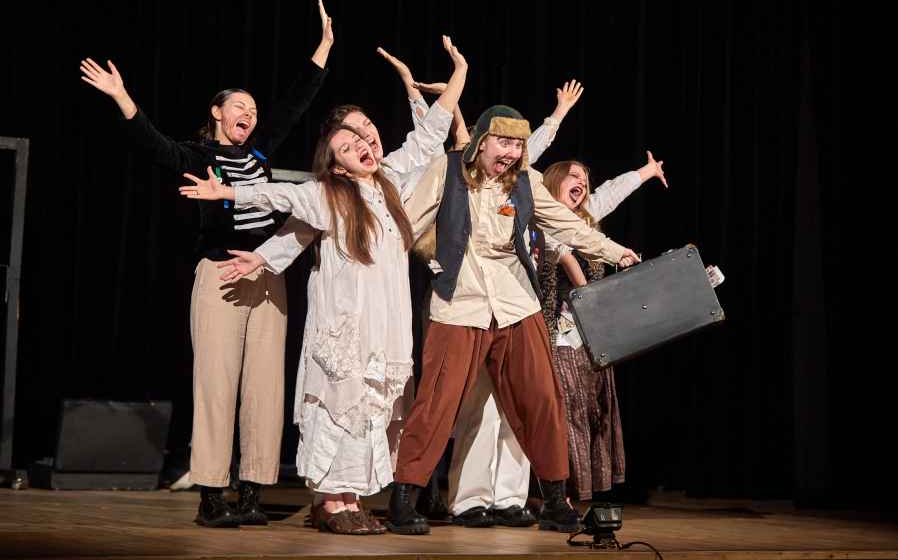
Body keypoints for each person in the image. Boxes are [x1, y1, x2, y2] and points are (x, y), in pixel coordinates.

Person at [79, 0, 334, 528]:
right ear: (217, 112)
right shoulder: (198, 156)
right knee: (216, 384)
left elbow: (294, 104)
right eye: (240, 106)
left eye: (253, 110)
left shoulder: (260, 153)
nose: (250, 114)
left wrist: (324, 48)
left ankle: (253, 491)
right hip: (219, 275)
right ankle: (212, 494)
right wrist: (123, 98)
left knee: (265, 387)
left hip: (266, 275)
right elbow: (154, 145)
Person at [205, 36, 469, 534]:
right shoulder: (327, 194)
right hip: (345, 325)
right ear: (335, 163)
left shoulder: (391, 183)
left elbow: (431, 132)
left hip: (384, 325)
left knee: (372, 409)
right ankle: (330, 503)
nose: (363, 146)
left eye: (364, 140)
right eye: (348, 146)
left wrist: (459, 73)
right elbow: (281, 198)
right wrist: (229, 192)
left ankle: (351, 500)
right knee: (338, 405)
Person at [387, 104, 641, 535]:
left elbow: (568, 224)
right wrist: (394, 262)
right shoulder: (446, 170)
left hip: (516, 302)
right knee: (437, 401)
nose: (511, 152)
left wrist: (615, 251)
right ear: (481, 141)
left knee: (541, 399)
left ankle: (555, 501)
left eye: (518, 145)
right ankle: (404, 498)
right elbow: (406, 226)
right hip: (460, 302)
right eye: (503, 142)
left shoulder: (526, 180)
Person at [536, 153, 667, 503]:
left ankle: (580, 490)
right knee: (568, 412)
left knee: (594, 413)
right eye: (573, 176)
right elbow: (569, 265)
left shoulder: (586, 220)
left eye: (585, 178)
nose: (581, 182)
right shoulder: (544, 220)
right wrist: (593, 292)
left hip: (591, 340)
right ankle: (559, 492)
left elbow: (611, 192)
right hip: (559, 337)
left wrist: (647, 172)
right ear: (554, 181)